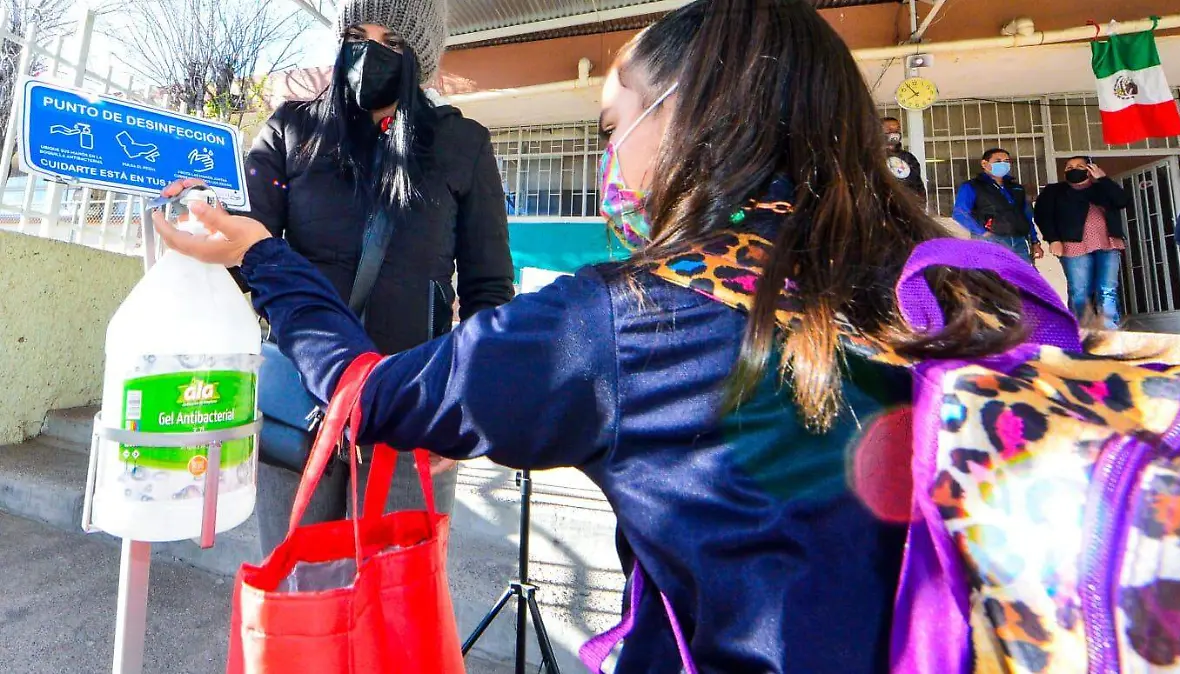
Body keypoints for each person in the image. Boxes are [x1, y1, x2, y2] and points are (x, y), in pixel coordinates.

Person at [157, 0, 1030, 670]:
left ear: (696, 116)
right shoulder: (967, 292)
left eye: (615, 127)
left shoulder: (623, 318)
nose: (609, 159)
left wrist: (266, 258)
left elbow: (382, 380)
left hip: (401, 406)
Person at [242, 0, 514, 552]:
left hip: (412, 407)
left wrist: (470, 404)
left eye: (392, 42)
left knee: (395, 600)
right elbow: (245, 249)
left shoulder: (461, 144)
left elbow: (488, 288)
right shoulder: (291, 129)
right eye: (356, 34)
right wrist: (192, 215)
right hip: (299, 400)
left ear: (423, 60)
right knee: (296, 586)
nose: (369, 54)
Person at [1035, 157, 1131, 329]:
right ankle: (1081, 332)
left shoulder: (1102, 187)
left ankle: (1110, 333)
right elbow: (1043, 216)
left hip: (1108, 243)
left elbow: (1122, 200)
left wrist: (1103, 178)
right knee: (1079, 292)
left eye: (1079, 166)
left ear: (1090, 168)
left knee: (1107, 289)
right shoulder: (1054, 191)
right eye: (1069, 167)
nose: (1074, 169)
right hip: (1073, 246)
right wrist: (1053, 239)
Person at [953, 148, 1044, 264]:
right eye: (998, 161)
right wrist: (983, 233)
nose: (1003, 164)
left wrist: (1035, 241)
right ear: (984, 164)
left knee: (1021, 279)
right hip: (990, 241)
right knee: (994, 279)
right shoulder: (972, 186)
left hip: (1019, 241)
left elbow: (1026, 216)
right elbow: (960, 213)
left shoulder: (1016, 188)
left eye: (1006, 161)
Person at [882, 116, 927, 203]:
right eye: (889, 129)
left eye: (897, 129)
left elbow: (917, 185)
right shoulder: (871, 157)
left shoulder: (908, 158)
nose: (894, 133)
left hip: (905, 209)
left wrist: (919, 206)